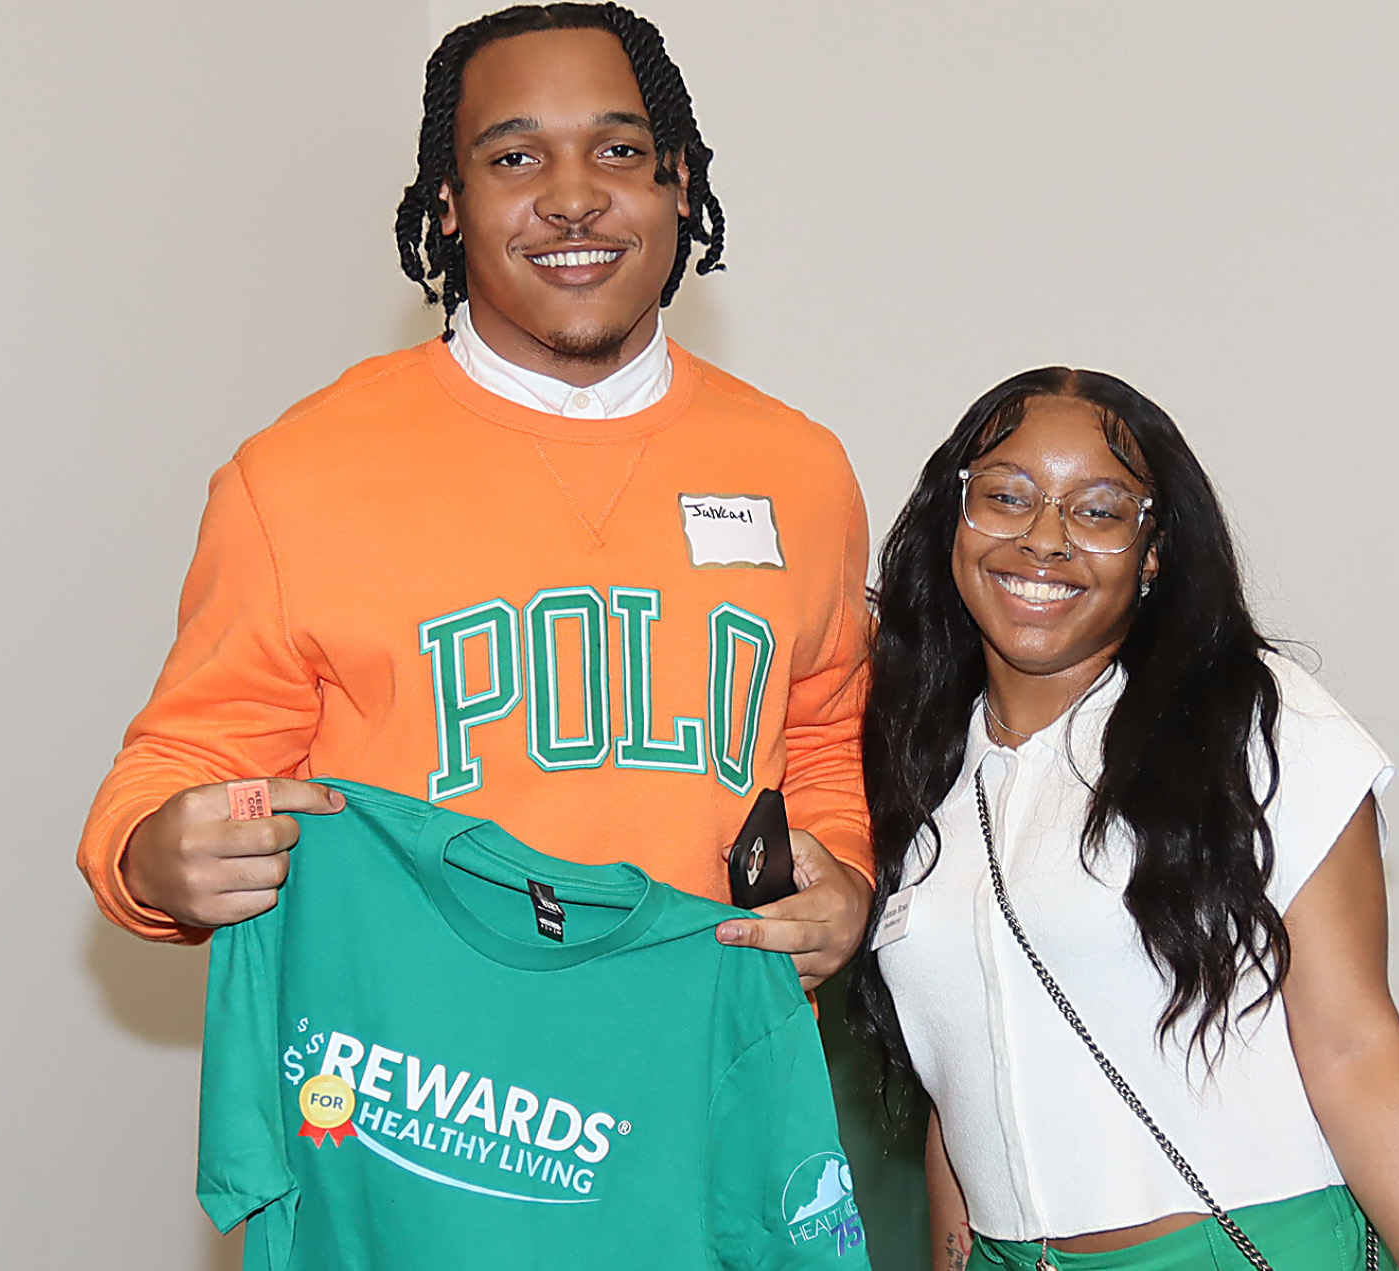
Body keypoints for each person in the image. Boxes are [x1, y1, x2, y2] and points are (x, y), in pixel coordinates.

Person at [77, 3, 873, 989]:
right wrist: (150, 860)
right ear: (448, 200)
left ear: (679, 181)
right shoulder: (296, 476)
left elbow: (825, 742)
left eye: (619, 150)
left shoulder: (801, 471)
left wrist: (847, 883)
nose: (574, 199)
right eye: (514, 159)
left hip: (701, 1078)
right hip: (423, 1097)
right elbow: (177, 766)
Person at [851, 369, 1399, 1270]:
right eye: (1005, 497)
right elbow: (961, 1087)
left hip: (1242, 1248)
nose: (1044, 539)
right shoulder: (910, 761)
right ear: (956, 517)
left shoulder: (1254, 722)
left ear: (1153, 551)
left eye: (1098, 511)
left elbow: (1354, 1046)